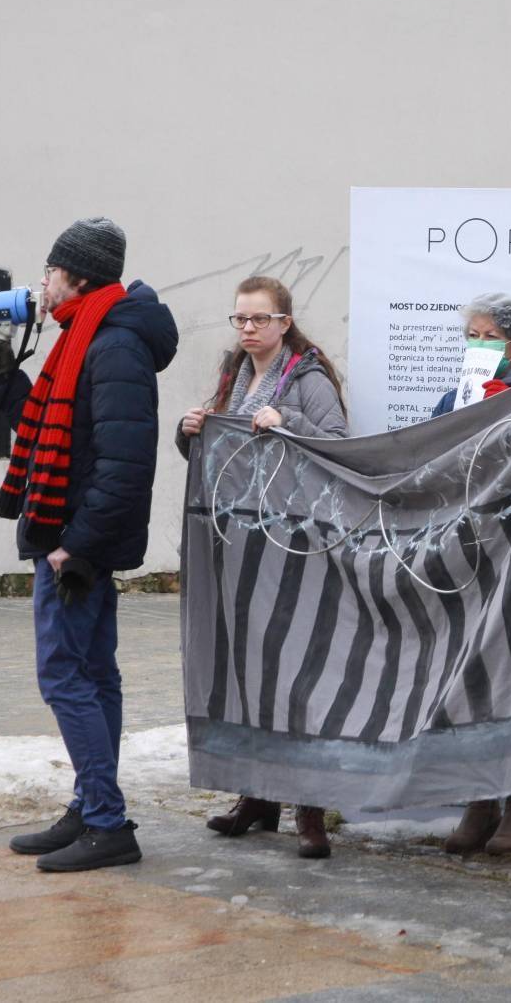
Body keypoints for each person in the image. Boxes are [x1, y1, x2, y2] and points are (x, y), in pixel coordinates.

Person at [2, 218, 178, 872]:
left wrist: (76, 545)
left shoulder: (110, 343)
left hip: (74, 541)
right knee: (93, 673)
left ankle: (106, 821)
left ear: (75, 276)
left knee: (66, 675)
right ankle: (91, 805)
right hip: (75, 535)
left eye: (49, 271)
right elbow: (71, 436)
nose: (41, 283)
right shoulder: (90, 336)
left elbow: (126, 462)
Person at [177, 275, 348, 858]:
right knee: (245, 669)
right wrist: (191, 432)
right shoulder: (234, 373)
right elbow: (221, 453)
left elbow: (338, 444)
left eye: (258, 319)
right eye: (240, 319)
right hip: (238, 541)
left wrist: (288, 422)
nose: (247, 329)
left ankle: (310, 808)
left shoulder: (308, 376)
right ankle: (258, 797)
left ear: (284, 322)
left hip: (293, 543)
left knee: (294, 672)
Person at [432, 292, 511, 855]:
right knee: (473, 673)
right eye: (471, 336)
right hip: (473, 555)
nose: (476, 346)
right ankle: (479, 800)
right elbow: (429, 458)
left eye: (488, 337)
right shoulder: (458, 395)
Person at [429, 292, 511, 417]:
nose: (480, 343)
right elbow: (432, 436)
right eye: (473, 335)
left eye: (491, 336)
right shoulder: (451, 401)